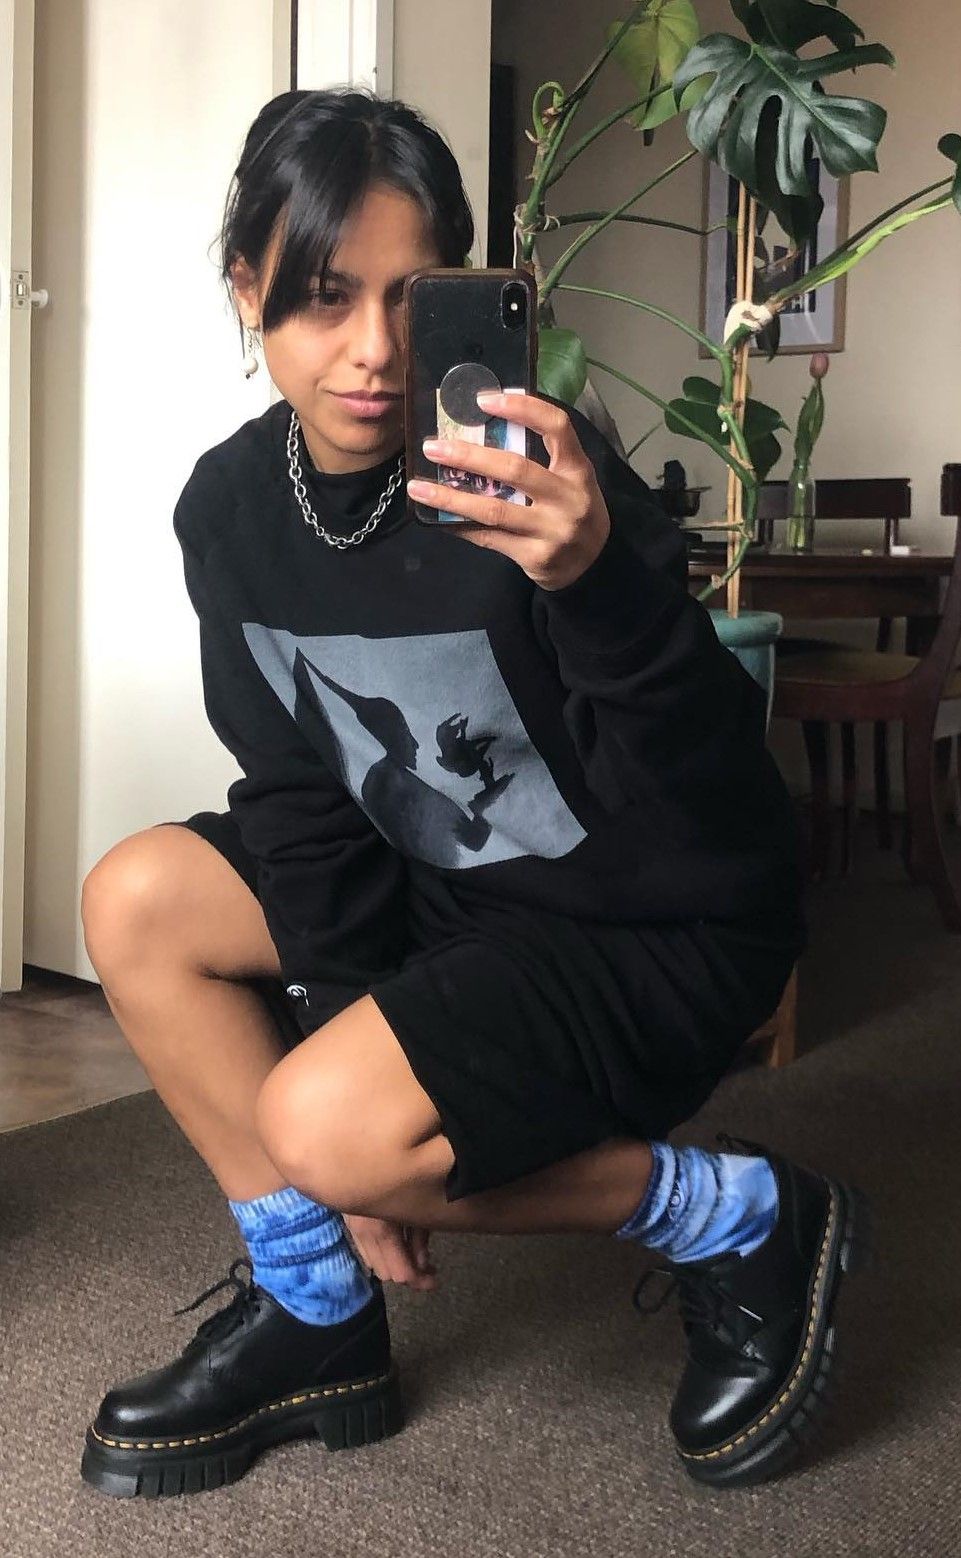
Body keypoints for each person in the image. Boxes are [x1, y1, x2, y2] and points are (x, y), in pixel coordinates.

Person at [78, 88, 866, 1502]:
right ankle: (316, 1310)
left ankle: (740, 1213)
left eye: (410, 294)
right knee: (137, 900)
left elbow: (708, 795)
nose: (376, 352)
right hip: (445, 888)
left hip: (648, 918)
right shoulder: (231, 509)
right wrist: (347, 1050)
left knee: (325, 1124)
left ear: (463, 288)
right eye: (325, 295)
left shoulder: (543, 477)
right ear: (248, 287)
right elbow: (299, 797)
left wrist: (596, 580)